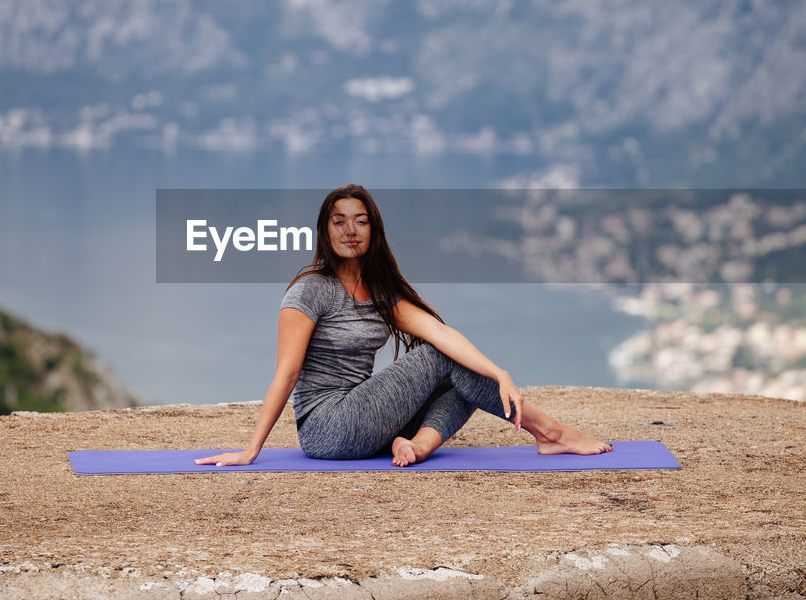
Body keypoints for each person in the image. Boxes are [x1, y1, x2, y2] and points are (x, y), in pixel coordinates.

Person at [195, 184, 612, 468]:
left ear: (373, 229)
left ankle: (417, 445)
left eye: (360, 220)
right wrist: (252, 448)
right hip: (328, 427)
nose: (350, 230)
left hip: (365, 420)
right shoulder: (309, 292)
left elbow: (441, 333)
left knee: (462, 375)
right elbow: (286, 373)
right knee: (443, 360)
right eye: (338, 221)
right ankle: (551, 432)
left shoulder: (380, 292)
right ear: (325, 230)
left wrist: (499, 373)